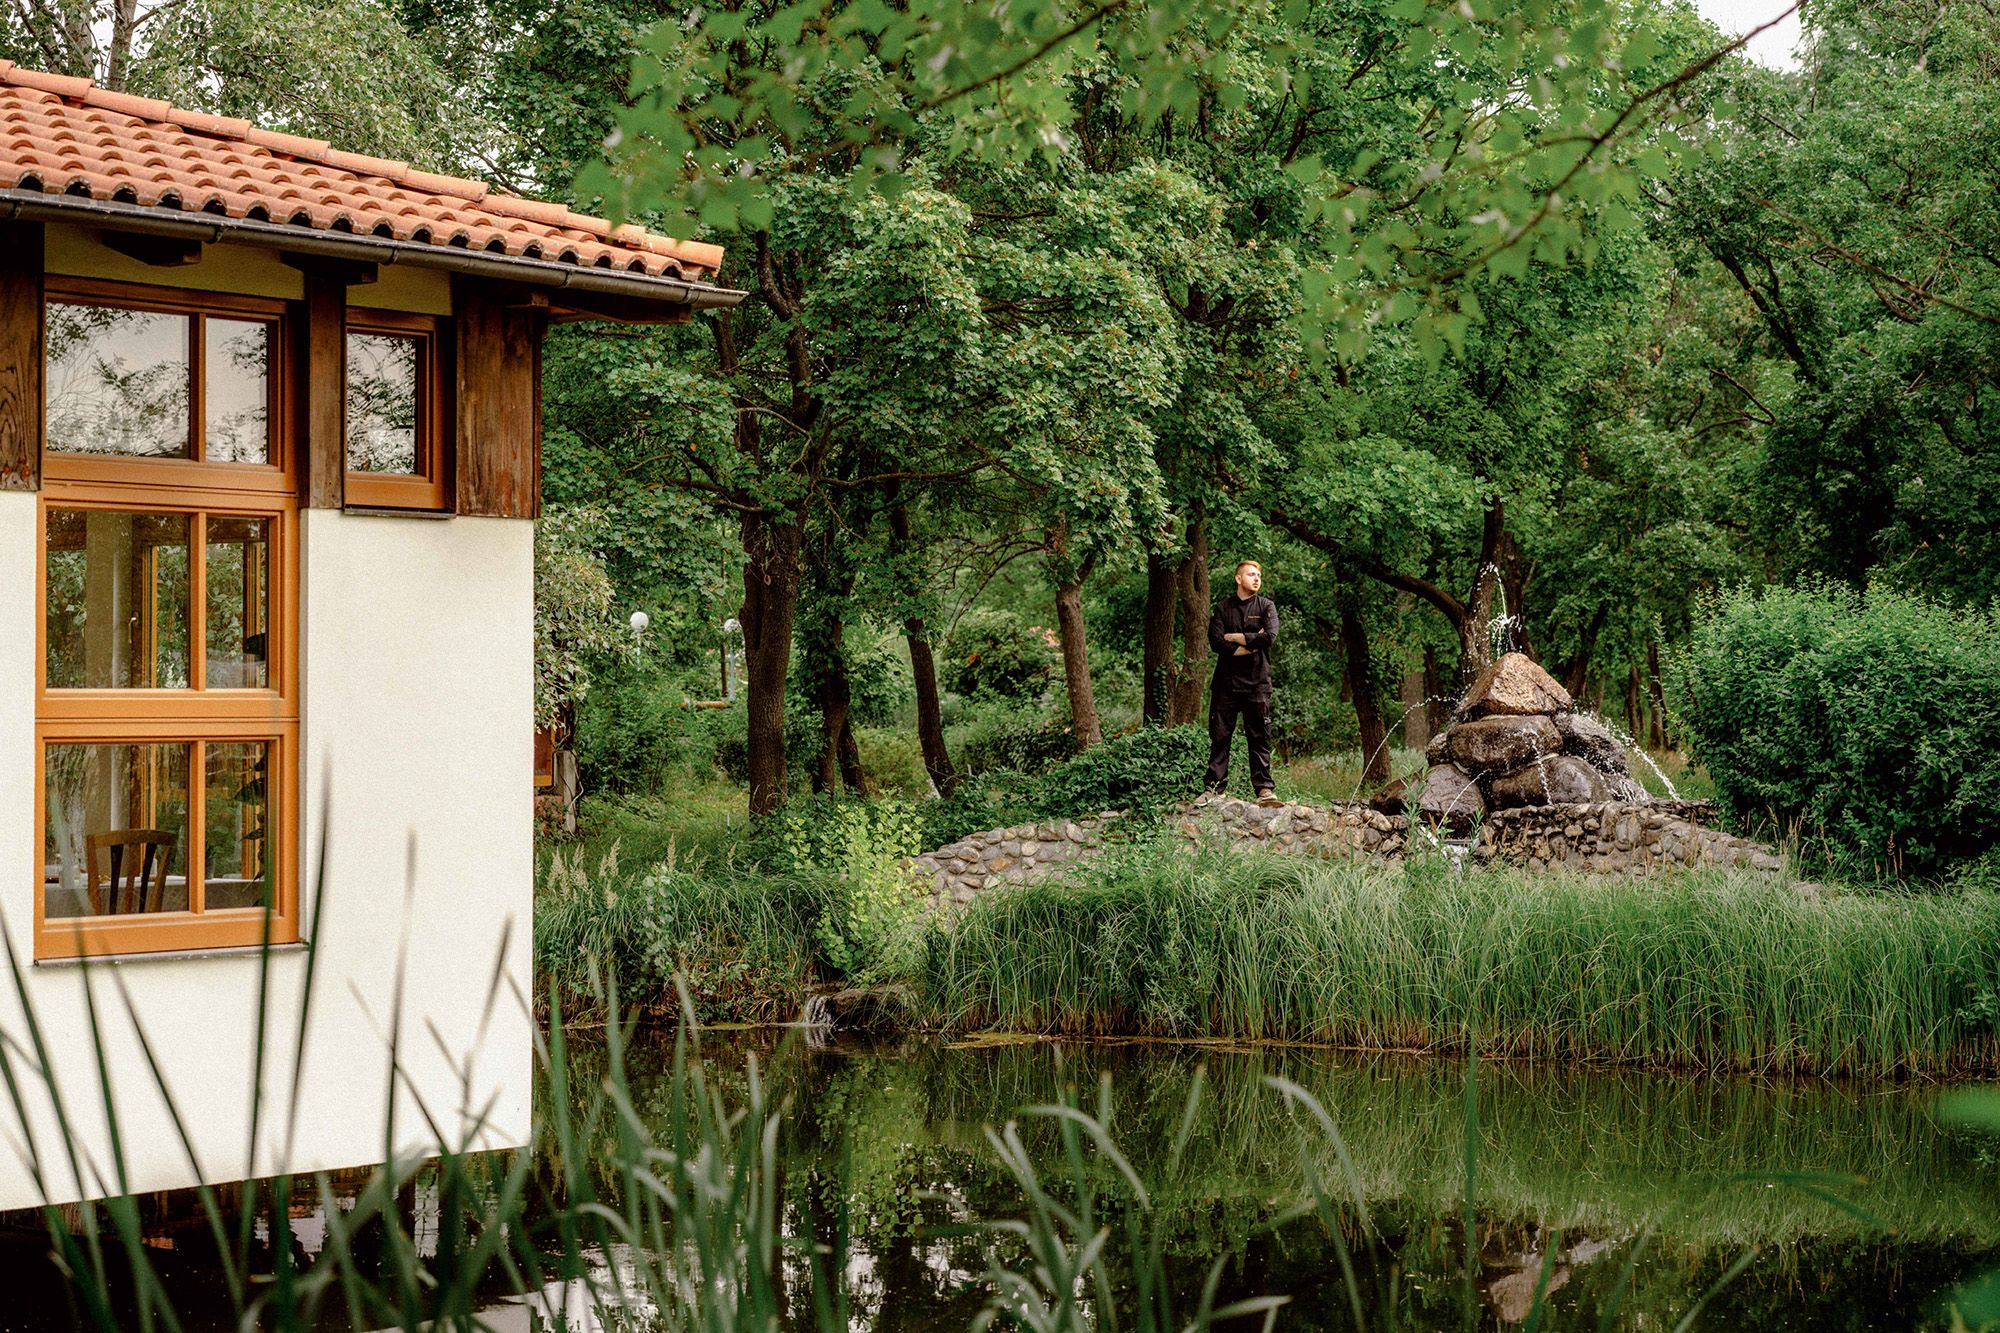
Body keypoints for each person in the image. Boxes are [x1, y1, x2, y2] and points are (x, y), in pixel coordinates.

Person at [1205, 559, 1279, 801]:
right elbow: (1217, 643)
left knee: (1259, 737)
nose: (1256, 578)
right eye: (1251, 574)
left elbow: (1268, 637)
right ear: (1238, 579)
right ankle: (1214, 790)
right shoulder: (1222, 608)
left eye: (1258, 575)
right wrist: (1250, 643)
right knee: (1220, 736)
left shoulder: (1267, 606)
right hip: (1225, 685)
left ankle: (1264, 789)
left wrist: (1235, 637)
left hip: (1258, 684)